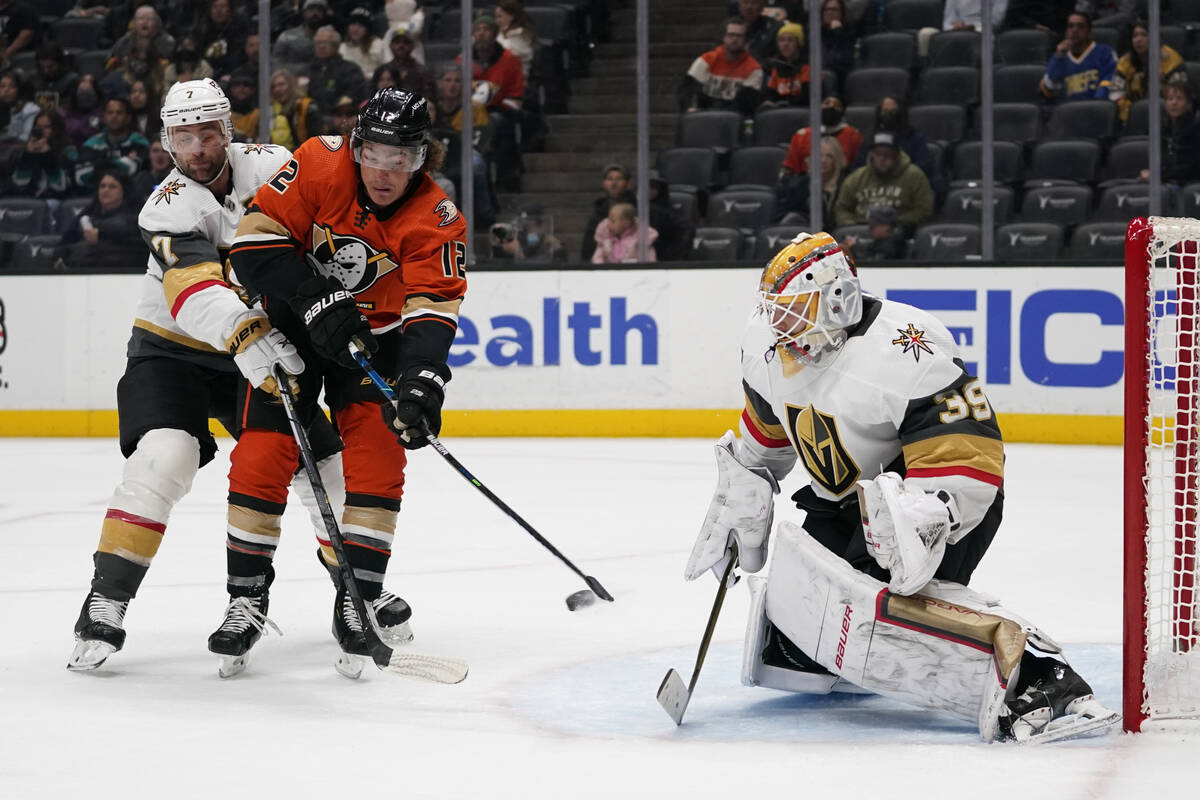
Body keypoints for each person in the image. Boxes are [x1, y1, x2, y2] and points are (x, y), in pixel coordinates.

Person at [684, 230, 1120, 743]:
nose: (781, 326)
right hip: (846, 502)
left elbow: (970, 453)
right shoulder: (766, 342)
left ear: (838, 299)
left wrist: (923, 521)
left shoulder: (908, 346)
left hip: (939, 502)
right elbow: (768, 427)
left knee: (881, 609)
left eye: (795, 310)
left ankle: (1041, 676)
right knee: (799, 625)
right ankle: (845, 647)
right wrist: (746, 487)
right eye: (775, 310)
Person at [67, 79, 324, 673]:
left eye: (208, 133)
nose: (198, 147)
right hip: (173, 349)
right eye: (185, 137)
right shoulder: (165, 205)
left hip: (260, 340)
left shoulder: (276, 168)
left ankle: (355, 591)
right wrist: (248, 334)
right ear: (168, 141)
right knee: (162, 457)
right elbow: (194, 289)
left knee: (315, 461)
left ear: (226, 132)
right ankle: (106, 600)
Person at [226, 88, 467, 676]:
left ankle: (357, 599)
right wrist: (314, 298)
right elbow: (250, 247)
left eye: (402, 159)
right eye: (376, 155)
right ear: (357, 146)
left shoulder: (438, 218)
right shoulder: (316, 161)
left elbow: (433, 312)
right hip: (294, 328)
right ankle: (245, 596)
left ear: (423, 159)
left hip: (374, 342)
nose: (386, 173)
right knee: (262, 452)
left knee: (381, 453)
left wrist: (422, 383)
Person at [463, 15, 525, 192]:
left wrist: (493, 101)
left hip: (499, 111)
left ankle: (505, 176)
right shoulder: (463, 60)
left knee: (495, 123)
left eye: (486, 29)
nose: (481, 33)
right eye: (478, 30)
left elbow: (516, 94)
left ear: (494, 33)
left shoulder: (510, 59)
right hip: (469, 111)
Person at [845, 96, 944, 197]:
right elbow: (858, 168)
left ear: (901, 113)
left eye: (893, 111)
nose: (888, 115)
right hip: (872, 187)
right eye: (885, 111)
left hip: (905, 185)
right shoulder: (870, 138)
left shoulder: (914, 137)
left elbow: (924, 166)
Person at [835, 131, 933, 232]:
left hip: (901, 231)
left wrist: (896, 222)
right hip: (862, 230)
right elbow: (842, 208)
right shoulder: (855, 178)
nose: (882, 159)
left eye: (887, 154)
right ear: (871, 154)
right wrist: (854, 226)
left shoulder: (914, 176)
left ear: (897, 155)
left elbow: (924, 210)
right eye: (878, 154)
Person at [57, 170, 144, 269]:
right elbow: (66, 240)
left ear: (124, 191)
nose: (106, 190)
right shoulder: (89, 212)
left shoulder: (138, 214)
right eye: (102, 186)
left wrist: (100, 235)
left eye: (112, 186)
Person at [678, 17, 763, 116]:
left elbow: (749, 102)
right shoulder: (706, 60)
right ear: (724, 37)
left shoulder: (754, 68)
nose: (735, 39)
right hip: (704, 114)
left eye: (739, 36)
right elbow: (686, 89)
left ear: (746, 40)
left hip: (735, 118)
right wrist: (689, 107)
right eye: (731, 35)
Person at [1112, 20, 1188, 124]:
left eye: (1144, 35)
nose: (1139, 39)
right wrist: (1131, 115)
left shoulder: (1171, 59)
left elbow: (1178, 97)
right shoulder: (1125, 62)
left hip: (1166, 116)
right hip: (1133, 116)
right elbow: (1116, 94)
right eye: (1135, 36)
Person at [1040, 12, 1118, 103]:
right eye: (1071, 26)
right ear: (1066, 32)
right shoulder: (1059, 57)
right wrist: (1058, 59)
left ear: (1089, 32)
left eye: (1080, 26)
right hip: (1068, 112)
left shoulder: (1106, 52)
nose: (1075, 30)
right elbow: (1048, 91)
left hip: (1097, 110)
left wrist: (1095, 104)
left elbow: (1111, 81)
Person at [75, 96, 151, 191]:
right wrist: (121, 161)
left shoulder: (140, 142)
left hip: (131, 195)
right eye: (110, 112)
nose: (114, 116)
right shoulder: (91, 143)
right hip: (94, 194)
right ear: (104, 117)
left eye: (119, 113)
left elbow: (133, 168)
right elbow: (81, 175)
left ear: (128, 118)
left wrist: (98, 163)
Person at [781, 94, 862, 176]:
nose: (831, 107)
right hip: (805, 183)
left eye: (837, 106)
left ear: (843, 112)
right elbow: (790, 168)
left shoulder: (853, 135)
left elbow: (857, 168)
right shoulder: (802, 135)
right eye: (826, 103)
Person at [302, 26, 368, 128]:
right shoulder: (307, 70)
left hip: (340, 122)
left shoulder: (350, 69)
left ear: (336, 46)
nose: (321, 46)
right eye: (318, 43)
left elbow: (353, 96)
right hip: (311, 122)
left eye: (325, 43)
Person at [1138, 82, 1200, 188]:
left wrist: (1157, 176)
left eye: (1179, 99)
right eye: (1170, 99)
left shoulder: (1195, 129)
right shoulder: (1164, 129)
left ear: (1188, 103)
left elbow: (1189, 168)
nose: (1174, 103)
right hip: (1166, 182)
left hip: (1188, 185)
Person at [7, 109, 79, 199]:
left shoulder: (69, 151)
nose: (41, 131)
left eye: (46, 127)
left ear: (56, 128)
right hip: (28, 200)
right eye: (38, 127)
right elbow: (18, 185)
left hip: (58, 200)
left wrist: (47, 155)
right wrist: (28, 155)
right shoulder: (20, 151)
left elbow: (61, 187)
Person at [777, 134, 845, 224]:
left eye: (829, 156)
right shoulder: (800, 186)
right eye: (819, 155)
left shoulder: (846, 184)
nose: (823, 160)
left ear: (837, 160)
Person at [273, 0, 332, 75]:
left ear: (324, 14)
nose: (315, 13)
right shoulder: (286, 37)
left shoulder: (330, 37)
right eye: (311, 8)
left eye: (320, 9)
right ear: (304, 13)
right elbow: (276, 65)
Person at [760, 22, 809, 109]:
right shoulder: (777, 67)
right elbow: (770, 94)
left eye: (790, 40)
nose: (785, 44)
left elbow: (807, 96)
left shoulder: (807, 67)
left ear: (798, 43)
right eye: (781, 40)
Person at [379, 24, 435, 99]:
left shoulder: (423, 72)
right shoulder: (383, 70)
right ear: (390, 46)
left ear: (412, 46)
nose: (401, 45)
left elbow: (428, 97)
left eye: (405, 42)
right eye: (397, 42)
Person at [592, 202, 657, 264]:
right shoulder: (606, 239)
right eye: (609, 220)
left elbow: (650, 261)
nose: (608, 224)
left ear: (626, 223)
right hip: (610, 273)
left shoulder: (641, 240)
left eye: (613, 221)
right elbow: (598, 258)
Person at [841, 203, 907, 261]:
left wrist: (854, 250)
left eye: (872, 226)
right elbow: (871, 247)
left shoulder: (891, 245)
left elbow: (875, 264)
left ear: (886, 226)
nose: (869, 229)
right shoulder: (883, 239)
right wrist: (856, 244)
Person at [341, 7, 388, 80]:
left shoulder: (378, 45)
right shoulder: (342, 47)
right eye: (353, 24)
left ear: (368, 29)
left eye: (360, 25)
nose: (355, 29)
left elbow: (386, 69)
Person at [495, 0, 538, 80]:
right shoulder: (501, 33)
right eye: (496, 17)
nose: (496, 21)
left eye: (500, 16)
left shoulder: (520, 35)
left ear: (511, 16)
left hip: (517, 78)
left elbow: (507, 55)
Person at [733, 0, 782, 64]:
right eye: (745, 2)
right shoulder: (730, 26)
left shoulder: (773, 27)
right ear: (739, 6)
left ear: (762, 7)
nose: (749, 7)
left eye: (754, 3)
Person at [942, 0, 1008, 30]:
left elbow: (997, 19)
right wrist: (954, 27)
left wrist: (974, 27)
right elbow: (947, 22)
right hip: (959, 30)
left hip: (985, 31)